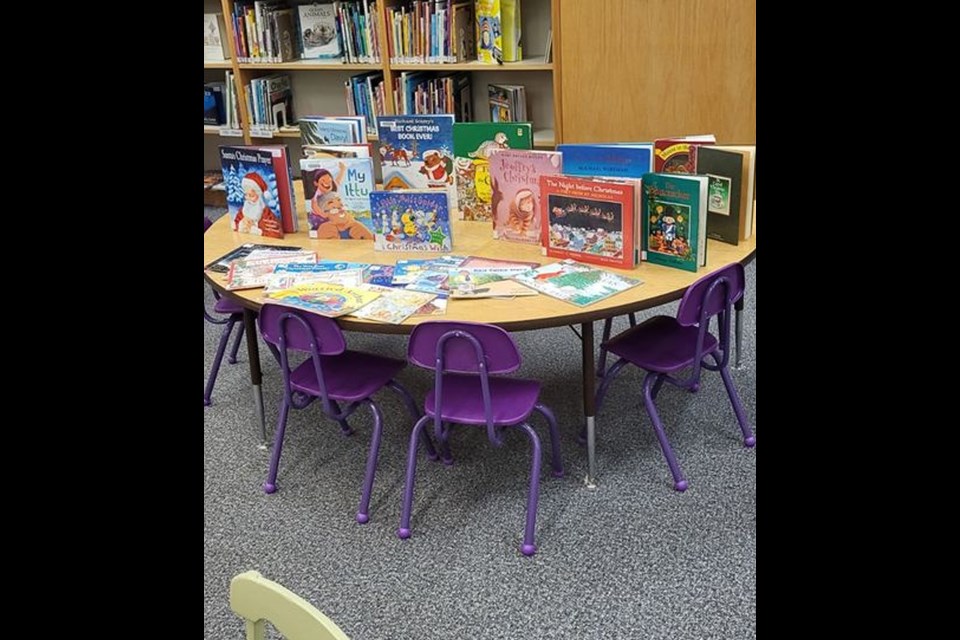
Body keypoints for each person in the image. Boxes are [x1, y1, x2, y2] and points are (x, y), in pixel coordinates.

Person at [233, 172, 282, 238]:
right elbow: (235, 223)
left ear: (258, 195)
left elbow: (275, 232)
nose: (248, 198)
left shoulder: (265, 212)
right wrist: (241, 225)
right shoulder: (243, 210)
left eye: (251, 195)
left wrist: (256, 230)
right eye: (245, 195)